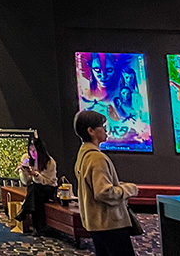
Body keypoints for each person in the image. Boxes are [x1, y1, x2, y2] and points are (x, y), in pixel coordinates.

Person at [74, 109, 138, 256]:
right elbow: (103, 192)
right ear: (91, 131)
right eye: (102, 126)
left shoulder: (83, 154)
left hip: (95, 223)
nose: (106, 130)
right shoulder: (97, 158)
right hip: (109, 224)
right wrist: (129, 189)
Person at [15, 134, 58, 233]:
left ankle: (25, 211)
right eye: (30, 150)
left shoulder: (49, 162)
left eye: (34, 150)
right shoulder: (28, 159)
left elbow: (48, 181)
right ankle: (38, 227)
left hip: (49, 188)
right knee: (35, 192)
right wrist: (24, 172)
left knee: (35, 190)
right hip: (36, 189)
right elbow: (26, 182)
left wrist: (36, 175)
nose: (32, 153)